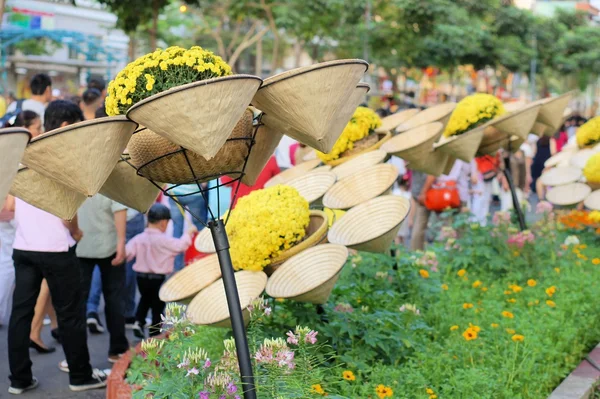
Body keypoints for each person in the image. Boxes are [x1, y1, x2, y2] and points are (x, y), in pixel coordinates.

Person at [7, 100, 107, 394]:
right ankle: (80, 376)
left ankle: (19, 380)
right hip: (57, 249)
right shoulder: (62, 158)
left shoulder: (23, 154)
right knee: (69, 315)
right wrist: (77, 232)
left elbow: (12, 205)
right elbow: (67, 214)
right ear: (65, 126)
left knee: (20, 314)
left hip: (24, 247)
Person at [7, 111, 60, 353]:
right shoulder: (24, 157)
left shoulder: (15, 154)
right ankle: (36, 331)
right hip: (32, 235)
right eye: (38, 127)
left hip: (23, 237)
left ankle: (48, 328)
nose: (42, 130)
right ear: (27, 130)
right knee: (41, 287)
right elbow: (8, 205)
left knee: (26, 301)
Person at [127, 204, 196, 338]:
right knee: (158, 305)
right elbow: (181, 246)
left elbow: (128, 252)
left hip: (141, 278)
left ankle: (138, 321)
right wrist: (188, 233)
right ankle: (155, 331)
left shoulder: (139, 238)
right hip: (157, 279)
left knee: (144, 299)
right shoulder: (164, 240)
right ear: (163, 223)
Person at [76, 194, 129, 363]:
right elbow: (119, 209)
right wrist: (121, 242)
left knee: (77, 302)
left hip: (79, 244)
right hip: (109, 244)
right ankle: (117, 349)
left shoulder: (73, 175)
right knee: (114, 298)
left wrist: (72, 233)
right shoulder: (108, 174)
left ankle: (75, 355)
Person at [168, 185, 208, 272]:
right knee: (199, 229)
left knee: (177, 229)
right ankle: (201, 262)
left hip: (174, 191)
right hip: (194, 192)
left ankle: (177, 268)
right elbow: (204, 183)